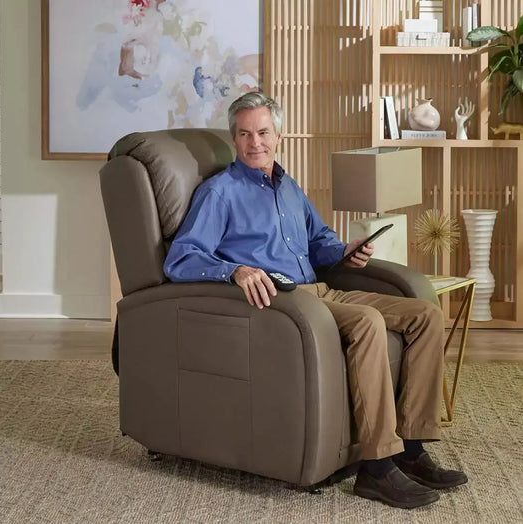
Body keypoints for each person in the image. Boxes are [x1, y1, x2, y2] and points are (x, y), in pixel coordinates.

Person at [163, 92, 468, 509]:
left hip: (323, 292)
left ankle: (410, 447)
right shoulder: (220, 193)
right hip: (285, 304)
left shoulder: (288, 187)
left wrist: (346, 250)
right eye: (245, 134)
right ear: (234, 139)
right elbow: (181, 258)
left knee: (425, 315)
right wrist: (235, 270)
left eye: (263, 132)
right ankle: (377, 469)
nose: (256, 143)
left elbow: (319, 242)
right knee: (366, 322)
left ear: (279, 135)